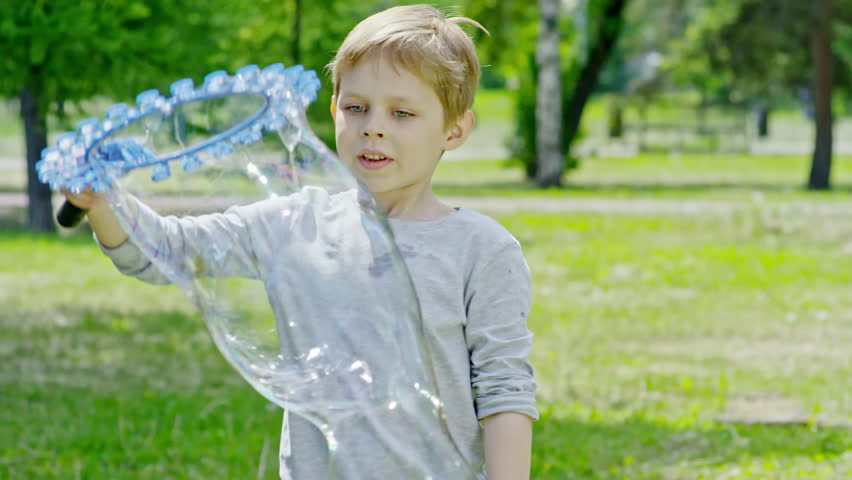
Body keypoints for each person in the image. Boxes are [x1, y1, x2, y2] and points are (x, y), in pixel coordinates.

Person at [64, 4, 537, 479]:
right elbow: (167, 252)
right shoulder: (294, 224)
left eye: (402, 112)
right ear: (333, 111)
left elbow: (505, 392)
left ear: (454, 130)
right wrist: (105, 203)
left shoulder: (481, 250)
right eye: (356, 107)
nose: (373, 126)